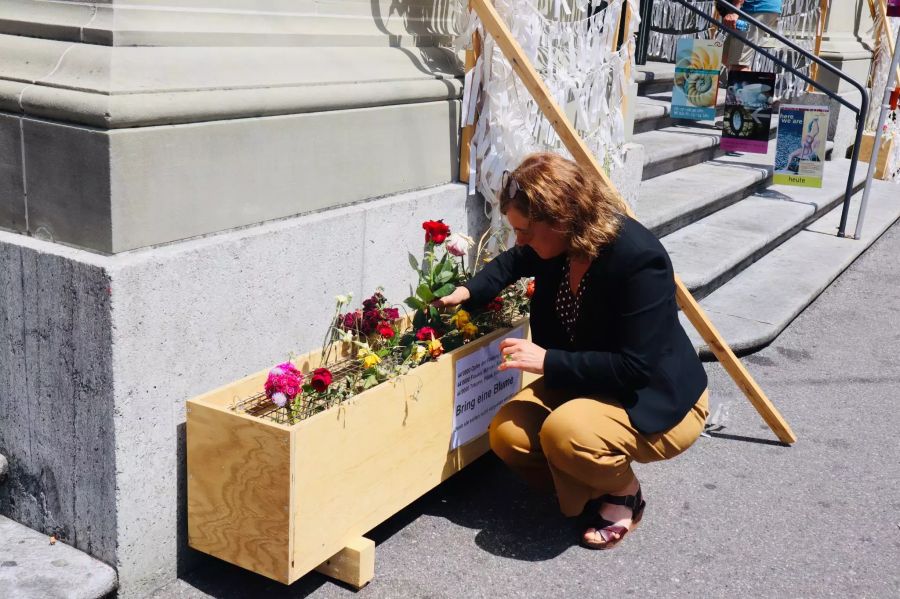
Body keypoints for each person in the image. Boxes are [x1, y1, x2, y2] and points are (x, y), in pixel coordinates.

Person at [435, 153, 709, 550]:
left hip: (651, 394)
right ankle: (587, 482)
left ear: (561, 219)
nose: (520, 240)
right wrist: (467, 291)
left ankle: (624, 493)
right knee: (507, 435)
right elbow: (513, 262)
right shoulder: (557, 244)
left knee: (566, 434)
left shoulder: (637, 259)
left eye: (525, 231)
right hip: (585, 379)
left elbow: (637, 366)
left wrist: (547, 361)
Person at [718, 0, 783, 72]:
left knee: (739, 64)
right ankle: (749, 80)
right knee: (726, 57)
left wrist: (734, 11)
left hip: (754, 8)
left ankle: (746, 81)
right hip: (760, 7)